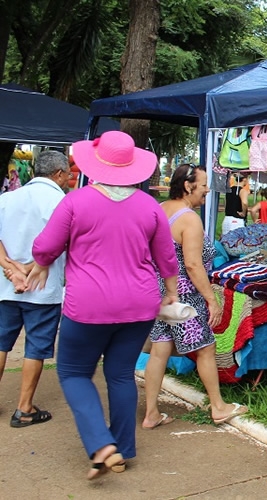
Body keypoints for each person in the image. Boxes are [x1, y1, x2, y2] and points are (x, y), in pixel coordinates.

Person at [26, 131, 180, 480]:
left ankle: (101, 444)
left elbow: (46, 246)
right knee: (121, 374)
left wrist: (41, 262)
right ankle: (122, 450)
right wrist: (171, 292)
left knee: (73, 372)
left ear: (95, 164)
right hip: (139, 304)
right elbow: (166, 257)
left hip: (89, 305)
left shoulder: (75, 201)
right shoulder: (149, 206)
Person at [143, 164, 246, 432]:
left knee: (160, 349)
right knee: (206, 349)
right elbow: (192, 265)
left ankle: (151, 413)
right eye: (203, 185)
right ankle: (218, 407)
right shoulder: (189, 219)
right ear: (188, 186)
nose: (207, 190)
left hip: (159, 292)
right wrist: (211, 299)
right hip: (183, 295)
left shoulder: (160, 209)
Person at [0, 151, 70, 428]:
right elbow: (62, 243)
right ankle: (24, 408)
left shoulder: (7, 198)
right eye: (67, 174)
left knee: (1, 343)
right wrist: (32, 267)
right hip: (43, 287)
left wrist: (10, 268)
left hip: (6, 286)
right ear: (59, 174)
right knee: (35, 348)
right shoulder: (61, 202)